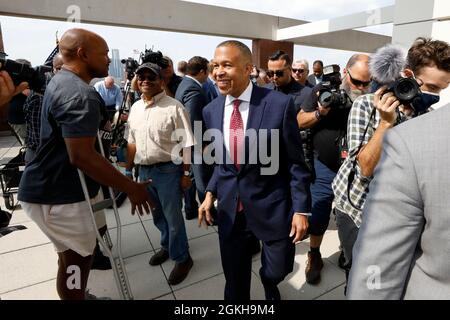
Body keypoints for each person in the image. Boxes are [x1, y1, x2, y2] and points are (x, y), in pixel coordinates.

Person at [18, 28, 154, 300]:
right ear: (83, 54)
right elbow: (81, 156)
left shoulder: (59, 80)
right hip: (60, 195)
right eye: (104, 53)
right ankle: (76, 297)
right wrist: (131, 187)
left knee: (69, 258)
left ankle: (76, 296)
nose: (107, 60)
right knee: (76, 263)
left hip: (49, 188)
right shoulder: (80, 94)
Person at [333, 38, 450, 295]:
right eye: (430, 86)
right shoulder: (366, 105)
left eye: (441, 90)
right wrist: (386, 124)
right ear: (407, 76)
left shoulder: (426, 119)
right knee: (359, 275)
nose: (434, 95)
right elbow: (364, 167)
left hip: (396, 216)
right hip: (355, 210)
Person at [198, 40, 311, 300]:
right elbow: (223, 161)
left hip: (272, 207)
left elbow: (296, 163)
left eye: (227, 64)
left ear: (248, 68)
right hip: (230, 211)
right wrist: (210, 193)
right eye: (215, 65)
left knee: (277, 269)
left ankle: (269, 283)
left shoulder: (278, 104)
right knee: (234, 281)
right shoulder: (210, 111)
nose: (218, 71)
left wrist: (301, 208)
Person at [298, 54, 371, 285]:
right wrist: (320, 112)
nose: (361, 87)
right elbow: (299, 120)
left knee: (354, 214)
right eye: (357, 81)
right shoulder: (322, 90)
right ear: (345, 74)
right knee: (319, 212)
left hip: (355, 168)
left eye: (366, 83)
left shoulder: (373, 96)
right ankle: (314, 255)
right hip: (325, 167)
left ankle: (347, 249)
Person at [126, 62, 195, 285]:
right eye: (141, 77)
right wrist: (128, 171)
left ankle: (182, 258)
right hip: (144, 171)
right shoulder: (135, 107)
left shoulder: (174, 107)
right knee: (157, 215)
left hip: (169, 170)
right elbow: (131, 142)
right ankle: (167, 246)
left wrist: (186, 173)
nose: (145, 80)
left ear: (161, 81)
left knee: (174, 217)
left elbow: (187, 144)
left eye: (151, 77)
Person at [175, 56, 212, 220]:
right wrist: (203, 146)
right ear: (203, 71)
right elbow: (194, 122)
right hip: (196, 145)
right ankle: (207, 213)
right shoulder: (194, 90)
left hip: (187, 142)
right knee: (202, 179)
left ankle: (191, 209)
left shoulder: (184, 83)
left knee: (191, 177)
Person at [23, 54, 63, 163]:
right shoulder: (42, 94)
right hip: (41, 156)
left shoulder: (55, 88)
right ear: (54, 69)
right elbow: (39, 135)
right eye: (60, 69)